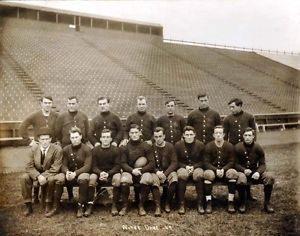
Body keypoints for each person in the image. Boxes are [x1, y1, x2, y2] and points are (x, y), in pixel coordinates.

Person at [46, 127, 92, 218]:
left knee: (83, 178)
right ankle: (56, 207)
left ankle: (80, 206)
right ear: (70, 138)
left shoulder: (87, 149)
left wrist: (75, 173)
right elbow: (63, 164)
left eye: (76, 137)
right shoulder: (66, 149)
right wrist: (67, 172)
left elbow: (87, 166)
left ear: (81, 137)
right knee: (59, 179)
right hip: (69, 174)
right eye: (72, 138)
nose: (74, 140)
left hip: (81, 173)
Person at [20, 127, 62, 216]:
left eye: (47, 139)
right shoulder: (33, 149)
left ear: (51, 139)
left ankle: (48, 203)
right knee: (24, 178)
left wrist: (44, 176)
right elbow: (29, 166)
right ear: (39, 140)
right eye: (42, 139)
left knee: (51, 179)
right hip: (36, 173)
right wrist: (38, 176)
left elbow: (55, 168)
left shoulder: (57, 149)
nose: (45, 141)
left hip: (50, 173)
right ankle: (28, 205)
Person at [55, 96, 89, 202]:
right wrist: (64, 142)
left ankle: (84, 196)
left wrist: (82, 141)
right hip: (66, 145)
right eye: (69, 103)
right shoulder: (62, 117)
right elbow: (57, 131)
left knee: (80, 166)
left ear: (77, 103)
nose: (71, 105)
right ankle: (70, 195)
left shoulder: (83, 116)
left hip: (80, 146)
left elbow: (86, 131)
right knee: (67, 167)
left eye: (73, 103)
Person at [223, 98, 257, 200]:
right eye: (230, 107)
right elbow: (225, 136)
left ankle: (248, 193)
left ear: (240, 106)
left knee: (248, 168)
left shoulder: (249, 117)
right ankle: (239, 193)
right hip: (234, 149)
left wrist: (252, 146)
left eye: (233, 107)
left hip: (247, 148)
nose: (231, 109)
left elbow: (254, 133)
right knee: (237, 170)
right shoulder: (227, 119)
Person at [235, 127, 275, 213]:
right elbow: (235, 164)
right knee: (241, 179)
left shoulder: (258, 147)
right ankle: (242, 203)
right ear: (242, 136)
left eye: (249, 135)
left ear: (253, 136)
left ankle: (267, 203)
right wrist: (243, 170)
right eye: (245, 135)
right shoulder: (237, 147)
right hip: (242, 172)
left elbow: (262, 164)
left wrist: (258, 172)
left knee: (269, 177)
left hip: (254, 173)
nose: (247, 137)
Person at [119, 124, 155, 216]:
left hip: (143, 171)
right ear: (129, 134)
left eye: (136, 132)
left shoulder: (146, 146)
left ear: (140, 133)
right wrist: (132, 171)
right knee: (124, 180)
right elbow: (123, 163)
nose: (134, 135)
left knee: (146, 179)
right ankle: (125, 206)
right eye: (132, 133)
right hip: (130, 171)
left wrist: (141, 171)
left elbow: (152, 163)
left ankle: (141, 205)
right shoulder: (125, 147)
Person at [85, 129, 122, 217]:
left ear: (111, 139)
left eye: (107, 137)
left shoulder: (116, 150)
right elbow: (93, 166)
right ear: (100, 139)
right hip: (99, 173)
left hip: (111, 173)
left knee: (117, 179)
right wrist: (100, 173)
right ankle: (90, 205)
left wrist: (108, 174)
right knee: (92, 178)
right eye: (104, 137)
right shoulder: (95, 150)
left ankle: (114, 205)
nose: (105, 139)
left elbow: (117, 166)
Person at [203, 125, 238, 214]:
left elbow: (232, 161)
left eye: (220, 133)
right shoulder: (208, 146)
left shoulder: (229, 146)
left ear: (224, 135)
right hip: (213, 170)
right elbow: (206, 162)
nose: (218, 135)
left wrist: (224, 169)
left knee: (233, 173)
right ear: (213, 135)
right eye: (216, 133)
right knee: (207, 174)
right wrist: (215, 170)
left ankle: (230, 201)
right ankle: (208, 201)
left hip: (225, 170)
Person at [175, 126, 206, 214]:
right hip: (183, 167)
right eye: (187, 135)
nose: (189, 137)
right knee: (182, 175)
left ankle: (200, 203)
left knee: (199, 175)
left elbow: (204, 161)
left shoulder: (200, 145)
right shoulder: (178, 145)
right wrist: (185, 167)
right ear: (183, 135)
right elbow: (175, 161)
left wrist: (194, 166)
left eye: (191, 134)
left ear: (195, 135)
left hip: (197, 167)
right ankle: (181, 203)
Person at [151, 127, 178, 213]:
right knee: (154, 182)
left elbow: (174, 162)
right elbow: (150, 162)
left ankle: (167, 202)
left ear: (164, 136)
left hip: (168, 171)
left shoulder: (170, 146)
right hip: (155, 171)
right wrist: (156, 171)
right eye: (156, 137)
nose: (158, 139)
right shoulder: (151, 147)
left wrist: (165, 174)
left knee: (174, 178)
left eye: (160, 136)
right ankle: (158, 206)